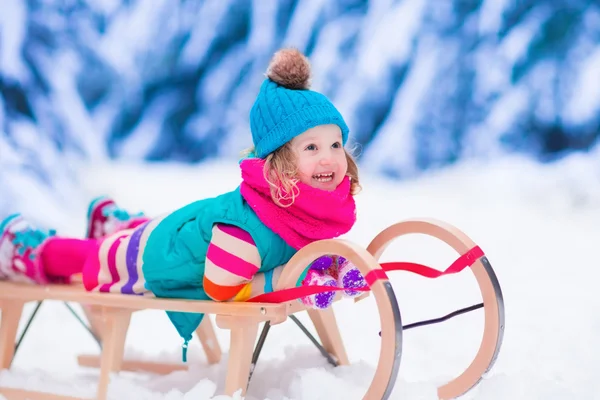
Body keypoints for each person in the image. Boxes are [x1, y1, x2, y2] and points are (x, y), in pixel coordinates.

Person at [0, 48, 366, 358]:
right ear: (280, 162)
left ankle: (115, 224)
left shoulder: (304, 210)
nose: (329, 158)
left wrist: (323, 270)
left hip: (186, 231)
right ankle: (28, 250)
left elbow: (293, 254)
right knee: (96, 257)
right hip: (158, 259)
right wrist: (300, 277)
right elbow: (223, 287)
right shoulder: (247, 231)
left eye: (335, 144)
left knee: (155, 232)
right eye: (311, 147)